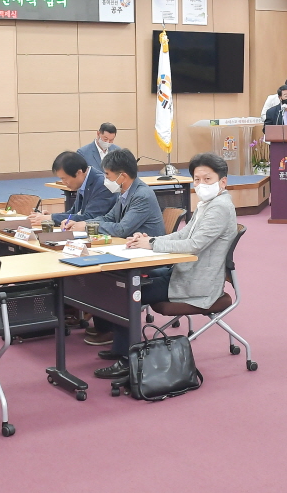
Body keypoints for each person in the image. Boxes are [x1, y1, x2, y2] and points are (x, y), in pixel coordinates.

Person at [95, 153, 240, 381]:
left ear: (223, 182)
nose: (201, 184)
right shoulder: (209, 203)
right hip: (184, 272)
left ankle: (127, 360)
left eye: (207, 179)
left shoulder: (219, 208)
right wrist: (150, 240)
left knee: (127, 293)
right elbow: (183, 234)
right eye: (197, 179)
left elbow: (193, 245)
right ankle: (122, 348)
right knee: (125, 284)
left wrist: (152, 244)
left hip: (196, 284)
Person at [63, 149, 165, 240]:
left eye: (107, 175)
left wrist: (87, 226)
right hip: (131, 244)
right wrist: (82, 223)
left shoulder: (142, 196)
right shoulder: (124, 192)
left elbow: (122, 229)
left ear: (123, 176)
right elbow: (108, 218)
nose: (105, 179)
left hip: (147, 250)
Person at [27, 151, 115, 228]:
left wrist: (51, 218)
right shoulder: (84, 180)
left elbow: (91, 218)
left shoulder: (102, 184)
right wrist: (50, 216)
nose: (63, 182)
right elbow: (74, 212)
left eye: (64, 178)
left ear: (79, 173)